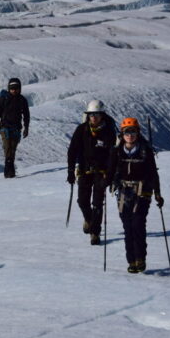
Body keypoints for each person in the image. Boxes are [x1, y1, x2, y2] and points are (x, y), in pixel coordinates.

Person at [107, 117, 163, 273]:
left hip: (142, 191)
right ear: (122, 134)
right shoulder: (116, 151)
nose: (130, 135)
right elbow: (110, 172)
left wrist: (157, 193)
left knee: (137, 224)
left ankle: (140, 258)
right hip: (123, 192)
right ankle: (131, 261)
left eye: (132, 132)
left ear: (138, 133)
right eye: (127, 132)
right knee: (128, 228)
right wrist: (102, 186)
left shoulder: (145, 150)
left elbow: (153, 173)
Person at [67, 100, 116, 245]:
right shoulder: (81, 130)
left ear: (101, 115)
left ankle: (95, 233)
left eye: (96, 114)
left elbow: (113, 155)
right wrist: (70, 171)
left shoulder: (108, 132)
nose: (93, 117)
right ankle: (88, 219)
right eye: (91, 114)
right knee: (82, 201)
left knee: (97, 204)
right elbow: (72, 151)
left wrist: (111, 174)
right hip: (84, 171)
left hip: (102, 173)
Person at [0, 77, 30, 178]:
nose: (14, 90)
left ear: (20, 89)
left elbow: (26, 114)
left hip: (16, 128)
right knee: (7, 148)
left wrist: (26, 127)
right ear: (9, 88)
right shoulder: (3, 98)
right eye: (12, 88)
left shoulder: (22, 100)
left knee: (12, 149)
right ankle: (8, 172)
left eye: (16, 88)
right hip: (5, 128)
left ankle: (10, 171)